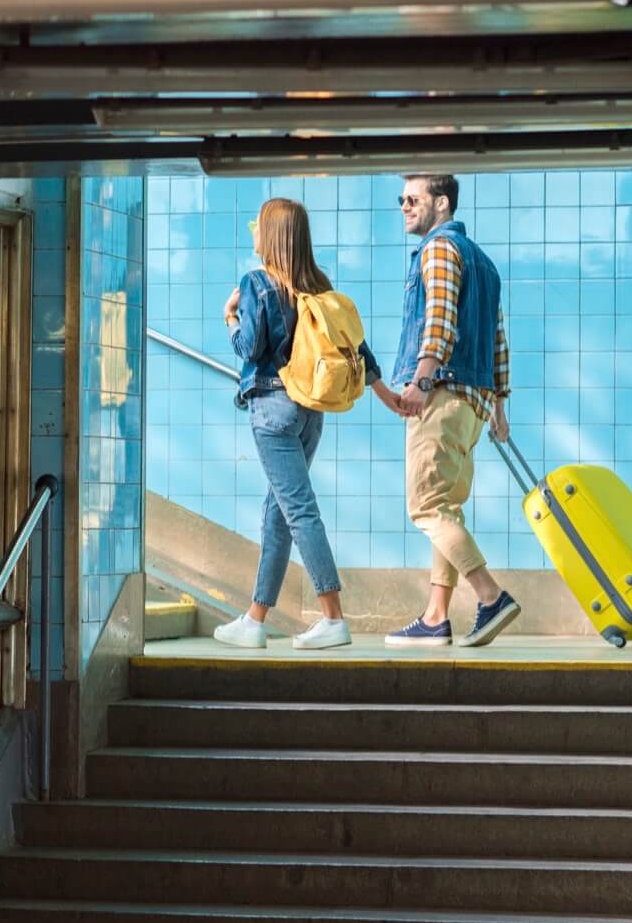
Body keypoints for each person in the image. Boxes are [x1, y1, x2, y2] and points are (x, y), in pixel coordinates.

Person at [212, 197, 395, 651]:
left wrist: (231, 319)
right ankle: (255, 619)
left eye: (256, 224)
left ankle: (333, 617)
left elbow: (251, 349)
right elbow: (358, 350)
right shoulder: (320, 286)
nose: (252, 231)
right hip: (310, 413)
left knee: (297, 512)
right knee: (278, 513)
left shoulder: (257, 283)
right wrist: (385, 393)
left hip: (272, 412)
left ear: (270, 234)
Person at [386, 173, 521, 648]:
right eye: (401, 199)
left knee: (425, 507)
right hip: (475, 402)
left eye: (413, 198)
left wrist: (422, 380)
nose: (404, 206)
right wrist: (500, 405)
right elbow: (498, 340)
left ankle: (490, 597)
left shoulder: (439, 249)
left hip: (442, 392)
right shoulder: (484, 263)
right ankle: (435, 617)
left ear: (441, 204)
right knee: (448, 507)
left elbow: (439, 315)